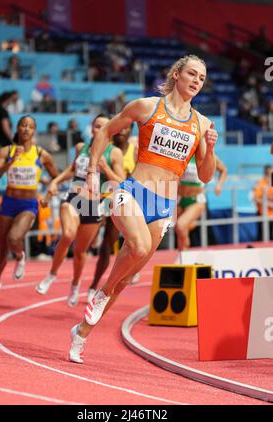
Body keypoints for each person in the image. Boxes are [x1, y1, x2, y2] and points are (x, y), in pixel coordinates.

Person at [69, 54, 218, 363]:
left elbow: (205, 175)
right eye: (192, 74)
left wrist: (211, 148)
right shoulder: (147, 106)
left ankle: (81, 333)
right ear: (177, 74)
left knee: (125, 279)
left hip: (165, 202)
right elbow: (105, 131)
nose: (196, 81)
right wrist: (92, 171)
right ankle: (101, 292)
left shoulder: (201, 123)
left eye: (201, 78)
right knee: (137, 246)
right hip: (133, 191)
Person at [35, 114, 125, 307]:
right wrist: (55, 181)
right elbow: (72, 169)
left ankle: (75, 285)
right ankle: (51, 275)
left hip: (93, 204)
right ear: (91, 128)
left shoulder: (114, 152)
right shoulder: (81, 148)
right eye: (96, 126)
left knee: (80, 251)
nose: (99, 130)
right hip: (73, 198)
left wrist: (105, 168)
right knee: (67, 235)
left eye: (103, 126)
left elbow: (121, 182)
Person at [0, 115, 58, 304]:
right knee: (1, 249)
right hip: (9, 202)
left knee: (14, 238)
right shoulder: (6, 151)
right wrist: (10, 162)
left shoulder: (42, 154)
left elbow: (57, 178)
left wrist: (49, 195)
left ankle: (20, 255)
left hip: (29, 204)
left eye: (30, 126)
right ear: (17, 129)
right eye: (23, 125)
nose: (26, 129)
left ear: (34, 131)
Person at [87, 124, 137, 301]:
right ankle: (94, 284)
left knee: (113, 244)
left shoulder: (134, 150)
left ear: (130, 130)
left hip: (124, 199)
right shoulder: (103, 147)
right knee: (102, 243)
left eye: (125, 129)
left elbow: (134, 180)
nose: (122, 131)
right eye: (119, 129)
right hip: (102, 198)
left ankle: (126, 273)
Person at [175, 155, 227, 251]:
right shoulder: (185, 151)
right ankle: (182, 258)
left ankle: (186, 255)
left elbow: (223, 170)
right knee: (181, 231)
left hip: (196, 200)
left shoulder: (206, 154)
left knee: (181, 225)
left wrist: (219, 186)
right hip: (179, 198)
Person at [252, 164, 273, 240]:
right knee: (262, 237)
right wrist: (268, 203)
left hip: (271, 215)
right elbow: (255, 198)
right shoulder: (260, 183)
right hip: (263, 214)